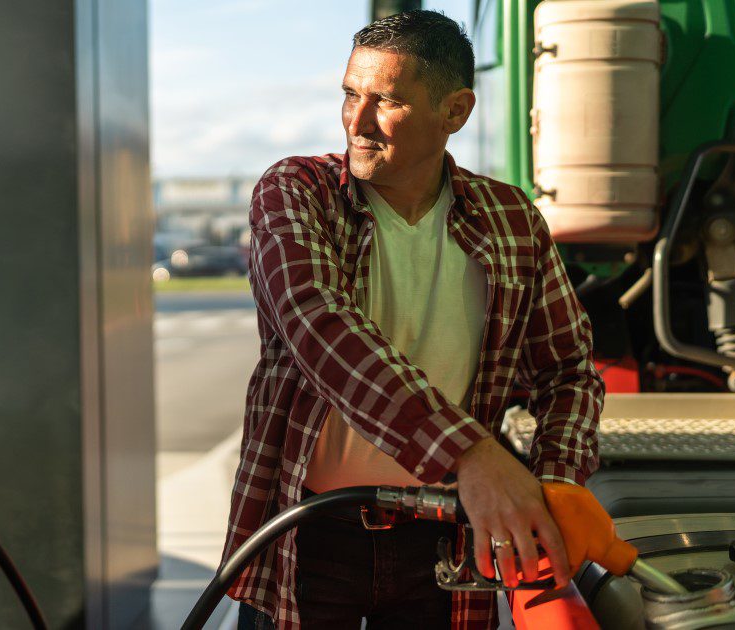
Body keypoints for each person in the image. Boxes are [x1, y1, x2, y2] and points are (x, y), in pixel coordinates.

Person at [223, 9, 604, 629]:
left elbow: (568, 369)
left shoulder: (510, 219)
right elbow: (320, 330)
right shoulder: (298, 191)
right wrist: (473, 454)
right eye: (351, 94)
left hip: (445, 546)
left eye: (387, 101)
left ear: (455, 113)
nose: (358, 120)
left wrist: (552, 485)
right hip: (310, 535)